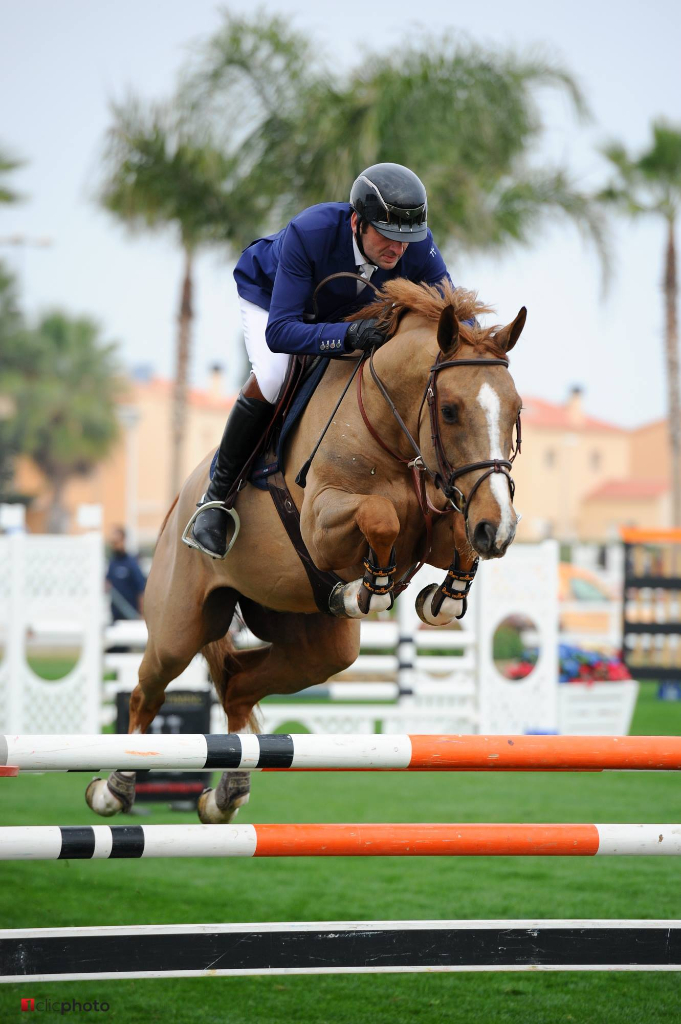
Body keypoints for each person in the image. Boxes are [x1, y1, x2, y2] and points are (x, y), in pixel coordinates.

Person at [189, 162, 454, 559]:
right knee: (276, 375)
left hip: (343, 311)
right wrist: (347, 336)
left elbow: (453, 307)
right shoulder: (309, 232)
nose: (397, 250)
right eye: (385, 236)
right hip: (274, 302)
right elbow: (280, 333)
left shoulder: (414, 245)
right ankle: (216, 499)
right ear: (356, 223)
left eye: (406, 239)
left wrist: (476, 346)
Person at [105, 526, 146, 622]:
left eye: (117, 542)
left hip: (131, 616)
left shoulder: (131, 563)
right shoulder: (112, 562)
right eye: (113, 542)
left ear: (123, 540)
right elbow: (108, 582)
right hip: (115, 616)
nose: (114, 545)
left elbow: (141, 589)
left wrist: (142, 613)